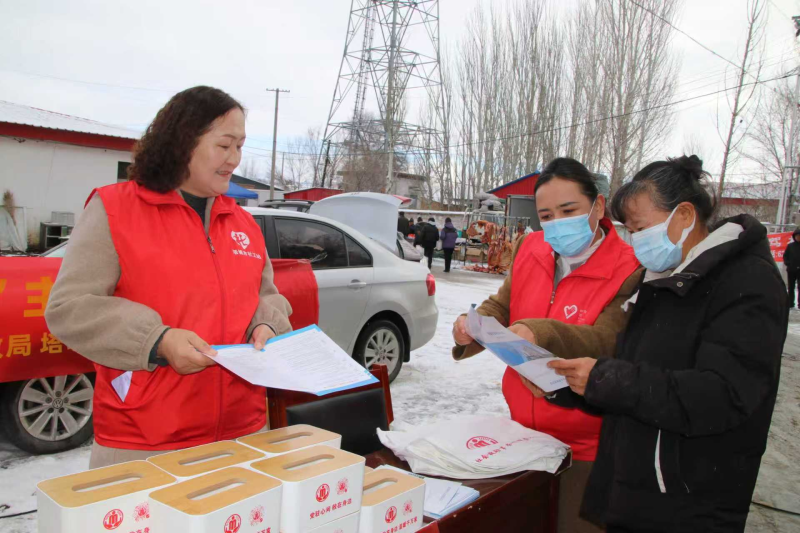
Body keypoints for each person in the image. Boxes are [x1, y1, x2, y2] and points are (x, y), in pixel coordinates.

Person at [45, 86, 293, 468]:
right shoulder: (115, 209)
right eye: (224, 145)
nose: (234, 159)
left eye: (240, 146)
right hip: (145, 440)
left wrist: (266, 324)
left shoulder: (243, 223)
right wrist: (157, 341)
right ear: (183, 140)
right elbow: (70, 307)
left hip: (243, 431)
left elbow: (266, 296)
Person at [549, 155, 787, 532]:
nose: (635, 240)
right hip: (636, 492)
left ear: (684, 215)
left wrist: (609, 380)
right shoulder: (663, 277)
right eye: (629, 230)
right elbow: (639, 374)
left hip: (688, 504)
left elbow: (722, 394)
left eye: (641, 227)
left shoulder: (747, 282)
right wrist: (576, 385)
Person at [451, 157, 642, 533]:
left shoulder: (630, 267)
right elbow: (503, 304)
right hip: (521, 434)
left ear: (598, 206)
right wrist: (473, 325)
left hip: (586, 446)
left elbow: (607, 339)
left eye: (568, 211)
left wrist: (539, 332)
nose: (557, 223)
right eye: (546, 215)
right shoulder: (531, 247)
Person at [784, 228, 800, 308]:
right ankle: (790, 303)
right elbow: (785, 256)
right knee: (791, 287)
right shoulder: (790, 246)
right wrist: (788, 264)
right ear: (794, 237)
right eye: (797, 236)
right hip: (791, 270)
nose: (798, 237)